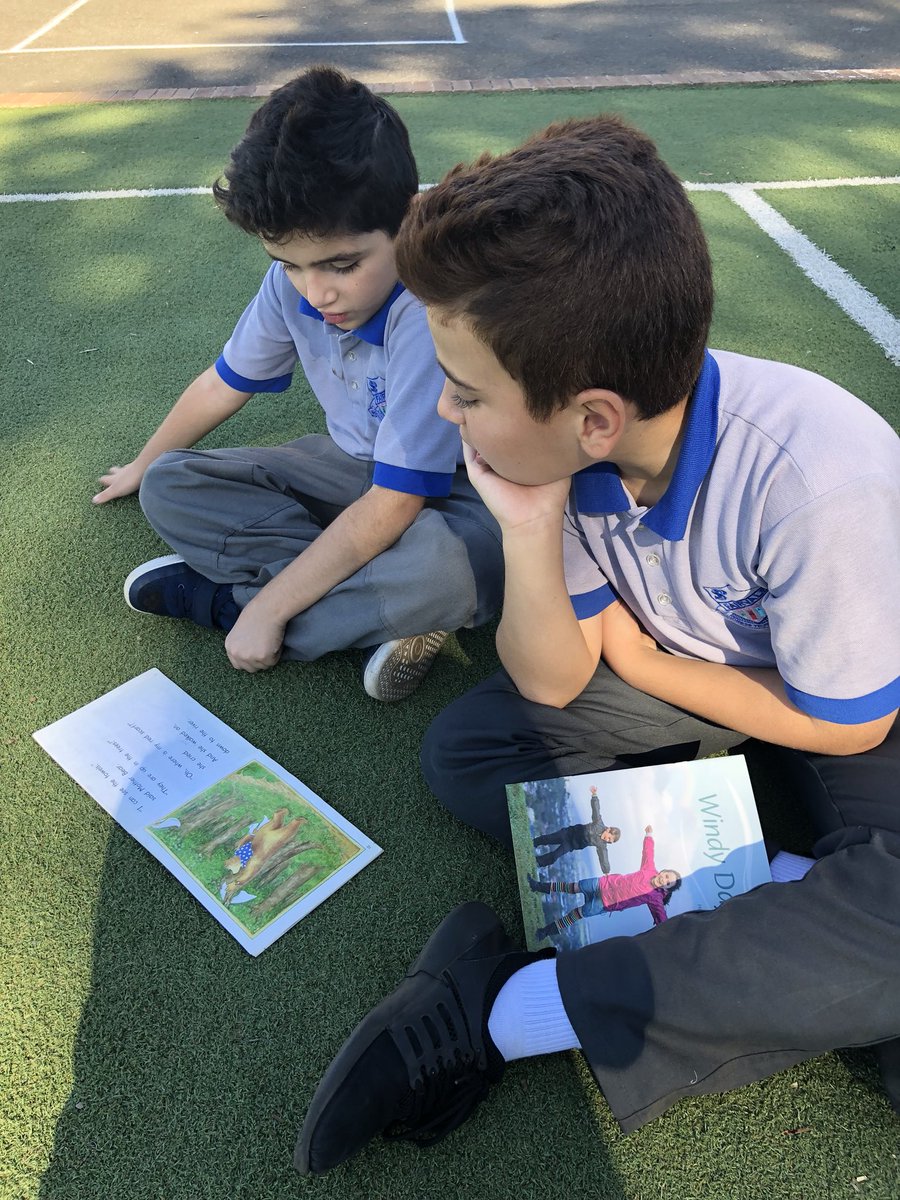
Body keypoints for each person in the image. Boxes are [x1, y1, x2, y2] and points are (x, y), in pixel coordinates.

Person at [294, 115, 900, 1173]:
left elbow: (850, 725)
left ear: (595, 419)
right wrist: (530, 532)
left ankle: (505, 1012)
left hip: (849, 713)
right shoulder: (558, 467)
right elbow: (550, 674)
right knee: (473, 753)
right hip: (727, 699)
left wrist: (647, 661)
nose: (443, 409)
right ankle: (806, 893)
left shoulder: (819, 478)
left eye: (468, 393)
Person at [94, 66, 503, 701]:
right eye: (289, 265)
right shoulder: (294, 289)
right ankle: (370, 608)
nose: (318, 293)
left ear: (408, 218)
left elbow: (399, 502)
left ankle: (230, 605)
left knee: (451, 569)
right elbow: (224, 383)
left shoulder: (429, 312)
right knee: (173, 483)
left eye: (344, 264)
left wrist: (267, 610)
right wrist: (143, 465)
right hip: (354, 469)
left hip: (459, 495)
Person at [530, 825, 678, 940]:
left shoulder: (655, 898)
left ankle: (544, 932)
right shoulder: (649, 869)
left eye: (668, 882)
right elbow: (648, 852)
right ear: (663, 871)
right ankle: (538, 886)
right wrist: (649, 835)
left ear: (667, 889)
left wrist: (669, 933)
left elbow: (661, 919)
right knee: (573, 887)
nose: (664, 880)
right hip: (603, 883)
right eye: (666, 876)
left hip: (606, 903)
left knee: (575, 914)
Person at [532, 783, 620, 870]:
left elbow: (604, 858)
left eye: (609, 841)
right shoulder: (598, 822)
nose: (607, 840)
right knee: (548, 839)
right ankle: (533, 843)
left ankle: (537, 862)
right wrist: (594, 795)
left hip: (570, 845)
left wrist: (606, 871)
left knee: (555, 856)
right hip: (568, 833)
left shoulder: (602, 845)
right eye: (609, 838)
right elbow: (596, 809)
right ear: (608, 829)